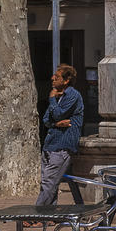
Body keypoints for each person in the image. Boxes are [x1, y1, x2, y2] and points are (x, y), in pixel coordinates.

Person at [36, 64, 84, 207]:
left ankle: (35, 216)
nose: (52, 79)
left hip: (62, 146)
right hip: (50, 144)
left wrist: (51, 99)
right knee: (49, 183)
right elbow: (46, 120)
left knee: (49, 182)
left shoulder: (72, 95)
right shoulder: (57, 96)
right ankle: (49, 215)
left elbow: (58, 114)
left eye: (57, 77)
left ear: (66, 80)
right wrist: (56, 124)